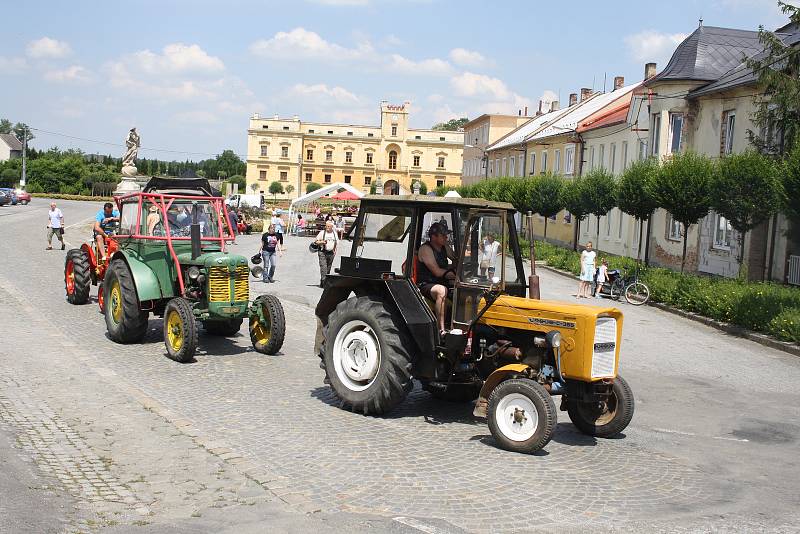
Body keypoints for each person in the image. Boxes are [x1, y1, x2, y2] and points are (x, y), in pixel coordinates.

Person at [417, 222, 456, 334]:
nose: (446, 237)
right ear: (433, 237)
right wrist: (455, 274)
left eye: (446, 234)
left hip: (442, 281)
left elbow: (456, 257)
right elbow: (437, 272)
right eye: (443, 235)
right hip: (426, 284)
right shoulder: (426, 249)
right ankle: (441, 330)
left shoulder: (444, 247)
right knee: (441, 291)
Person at [315, 219, 338, 287]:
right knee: (323, 268)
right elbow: (316, 241)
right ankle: (325, 284)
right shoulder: (322, 233)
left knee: (328, 268)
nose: (327, 228)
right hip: (322, 252)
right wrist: (322, 242)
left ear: (332, 227)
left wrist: (335, 251)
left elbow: (336, 243)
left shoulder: (334, 233)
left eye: (328, 226)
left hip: (331, 253)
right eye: (326, 226)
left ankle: (323, 283)